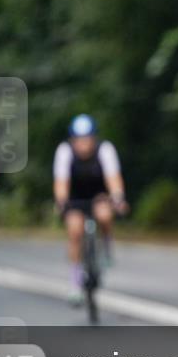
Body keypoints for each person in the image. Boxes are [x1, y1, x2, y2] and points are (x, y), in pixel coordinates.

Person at [53, 114, 128, 305]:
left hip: (99, 195)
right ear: (72, 140)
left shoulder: (105, 149)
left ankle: (106, 245)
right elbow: (61, 183)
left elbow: (113, 179)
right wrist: (61, 202)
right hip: (75, 198)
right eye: (79, 140)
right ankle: (75, 282)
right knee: (74, 230)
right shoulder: (65, 151)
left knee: (104, 215)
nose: (83, 144)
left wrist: (117, 198)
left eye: (87, 139)